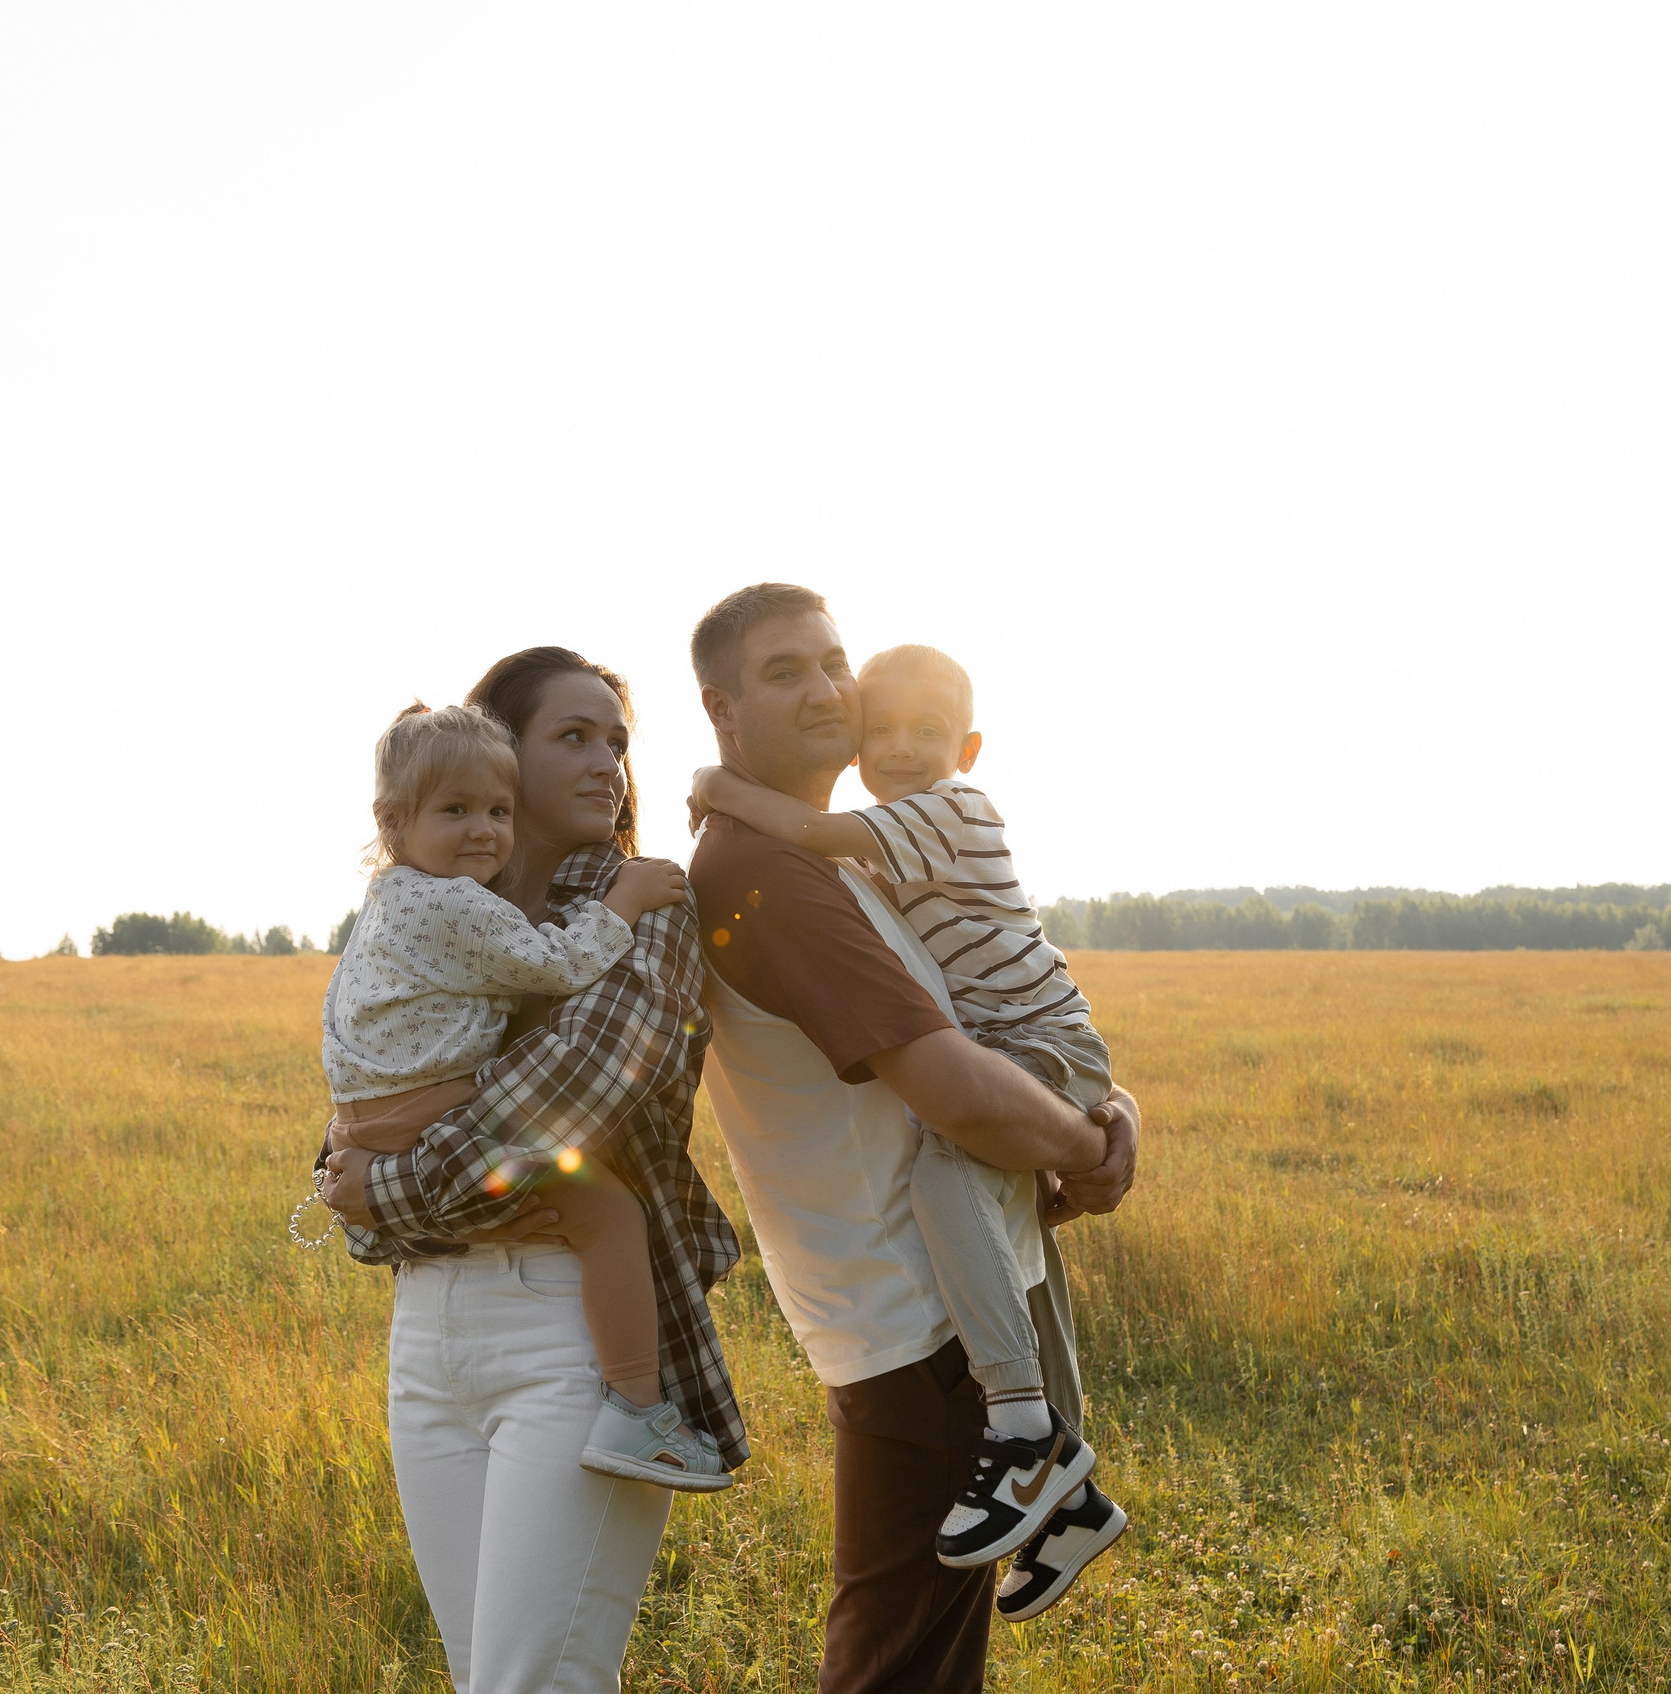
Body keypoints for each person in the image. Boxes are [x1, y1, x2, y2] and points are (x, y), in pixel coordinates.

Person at [684, 585, 1141, 1692]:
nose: (828, 689)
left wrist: (1104, 1103)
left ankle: (1061, 1490)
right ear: (720, 708)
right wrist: (1089, 1150)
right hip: (915, 1331)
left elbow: (996, 1016)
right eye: (785, 671)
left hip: (950, 1311)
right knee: (896, 1665)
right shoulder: (763, 874)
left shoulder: (849, 859)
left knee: (918, 1658)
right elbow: (959, 1097)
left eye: (834, 661)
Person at [317, 647, 746, 1694]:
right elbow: (360, 1099)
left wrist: (380, 1190)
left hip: (573, 1331)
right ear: (500, 752)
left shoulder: (644, 905)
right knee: (485, 1680)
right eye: (574, 737)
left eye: (617, 741)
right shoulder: (424, 913)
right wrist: (364, 1170)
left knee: (534, 1684)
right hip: (428, 1337)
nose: (609, 763)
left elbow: (563, 1097)